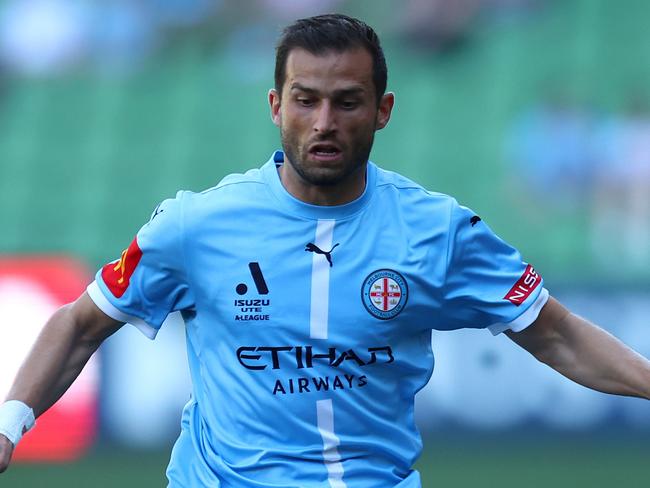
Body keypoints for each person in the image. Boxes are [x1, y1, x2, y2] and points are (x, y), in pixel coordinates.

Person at [1, 13, 649, 487]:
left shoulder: (438, 231)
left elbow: (556, 334)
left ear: (383, 110)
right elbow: (79, 324)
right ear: (276, 106)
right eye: (306, 101)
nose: (325, 123)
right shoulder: (196, 226)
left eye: (347, 103)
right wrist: (9, 426)